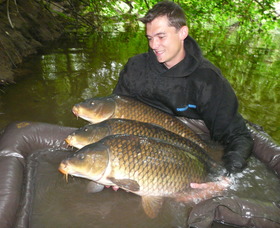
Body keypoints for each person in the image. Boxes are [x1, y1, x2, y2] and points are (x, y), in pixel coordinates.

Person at [113, 1, 253, 176]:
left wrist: (226, 178)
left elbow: (238, 135)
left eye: (161, 36)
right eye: (149, 38)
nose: (153, 45)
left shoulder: (208, 80)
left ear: (182, 33)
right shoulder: (135, 67)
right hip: (141, 144)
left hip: (188, 148)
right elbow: (117, 112)